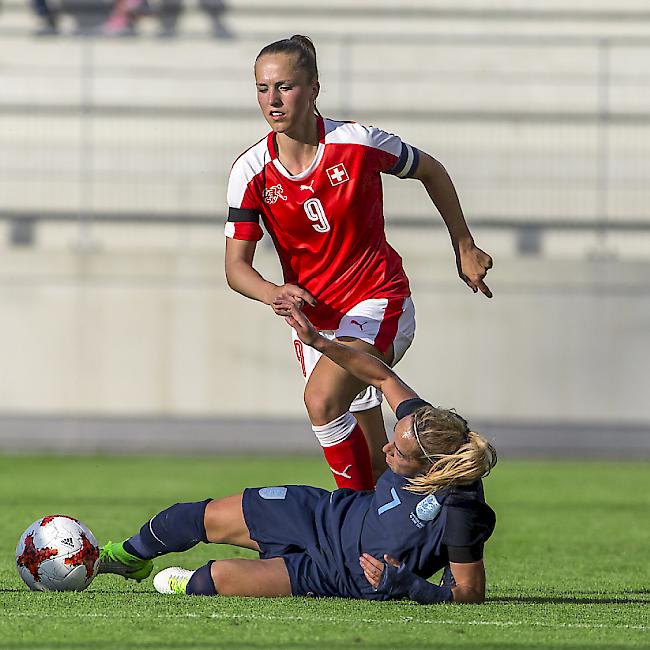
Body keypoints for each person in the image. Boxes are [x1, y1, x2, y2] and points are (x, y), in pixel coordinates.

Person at [225, 35, 494, 491]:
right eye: (262, 88)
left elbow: (431, 169)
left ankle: (350, 531)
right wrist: (273, 292)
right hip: (316, 324)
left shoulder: (358, 143)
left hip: (377, 301)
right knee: (374, 469)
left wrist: (463, 244)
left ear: (313, 88)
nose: (272, 100)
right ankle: (417, 528)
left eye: (285, 87)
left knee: (322, 400)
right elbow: (236, 268)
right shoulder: (250, 172)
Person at [98, 305, 497, 604]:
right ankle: (122, 557)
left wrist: (410, 586)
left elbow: (470, 593)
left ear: (432, 467)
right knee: (188, 517)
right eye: (393, 439)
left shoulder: (460, 508)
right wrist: (320, 342)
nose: (387, 448)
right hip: (323, 513)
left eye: (399, 452)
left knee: (208, 580)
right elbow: (380, 374)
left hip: (337, 574)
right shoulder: (423, 422)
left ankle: (186, 581)